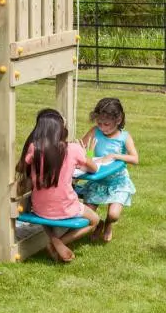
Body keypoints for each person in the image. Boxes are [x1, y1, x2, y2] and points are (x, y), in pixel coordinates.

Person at [18, 108, 100, 263]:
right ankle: (58, 242)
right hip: (66, 207)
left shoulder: (34, 148)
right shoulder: (73, 149)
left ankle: (53, 239)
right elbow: (93, 168)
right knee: (95, 220)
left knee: (45, 216)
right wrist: (88, 153)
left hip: (39, 208)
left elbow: (21, 167)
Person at [75, 97, 139, 243]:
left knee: (114, 215)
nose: (102, 127)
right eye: (99, 123)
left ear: (118, 120)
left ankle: (108, 223)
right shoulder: (95, 131)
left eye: (107, 124)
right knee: (86, 214)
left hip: (117, 182)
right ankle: (99, 223)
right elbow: (82, 149)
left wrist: (114, 156)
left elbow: (135, 159)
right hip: (98, 181)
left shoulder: (124, 137)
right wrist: (88, 155)